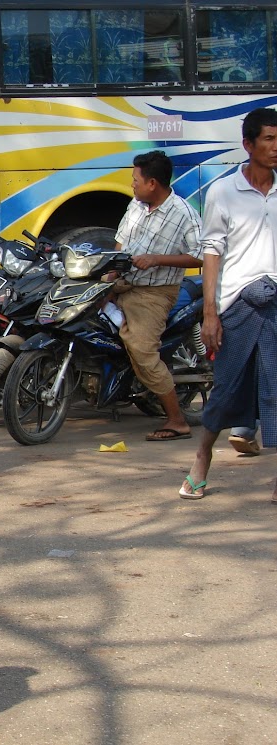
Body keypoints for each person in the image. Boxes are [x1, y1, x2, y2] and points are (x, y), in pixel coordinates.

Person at [179, 107, 277, 500]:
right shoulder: (223, 191)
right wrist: (209, 314)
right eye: (269, 139)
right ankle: (202, 459)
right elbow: (211, 251)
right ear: (248, 145)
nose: (275, 147)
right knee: (225, 390)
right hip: (237, 304)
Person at [112, 150, 204, 442]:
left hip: (154, 293)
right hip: (121, 280)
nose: (132, 185)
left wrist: (157, 259)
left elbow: (201, 256)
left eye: (135, 180)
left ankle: (177, 420)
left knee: (141, 348)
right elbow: (120, 242)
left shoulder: (184, 213)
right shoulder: (135, 206)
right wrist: (109, 274)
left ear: (152, 183)